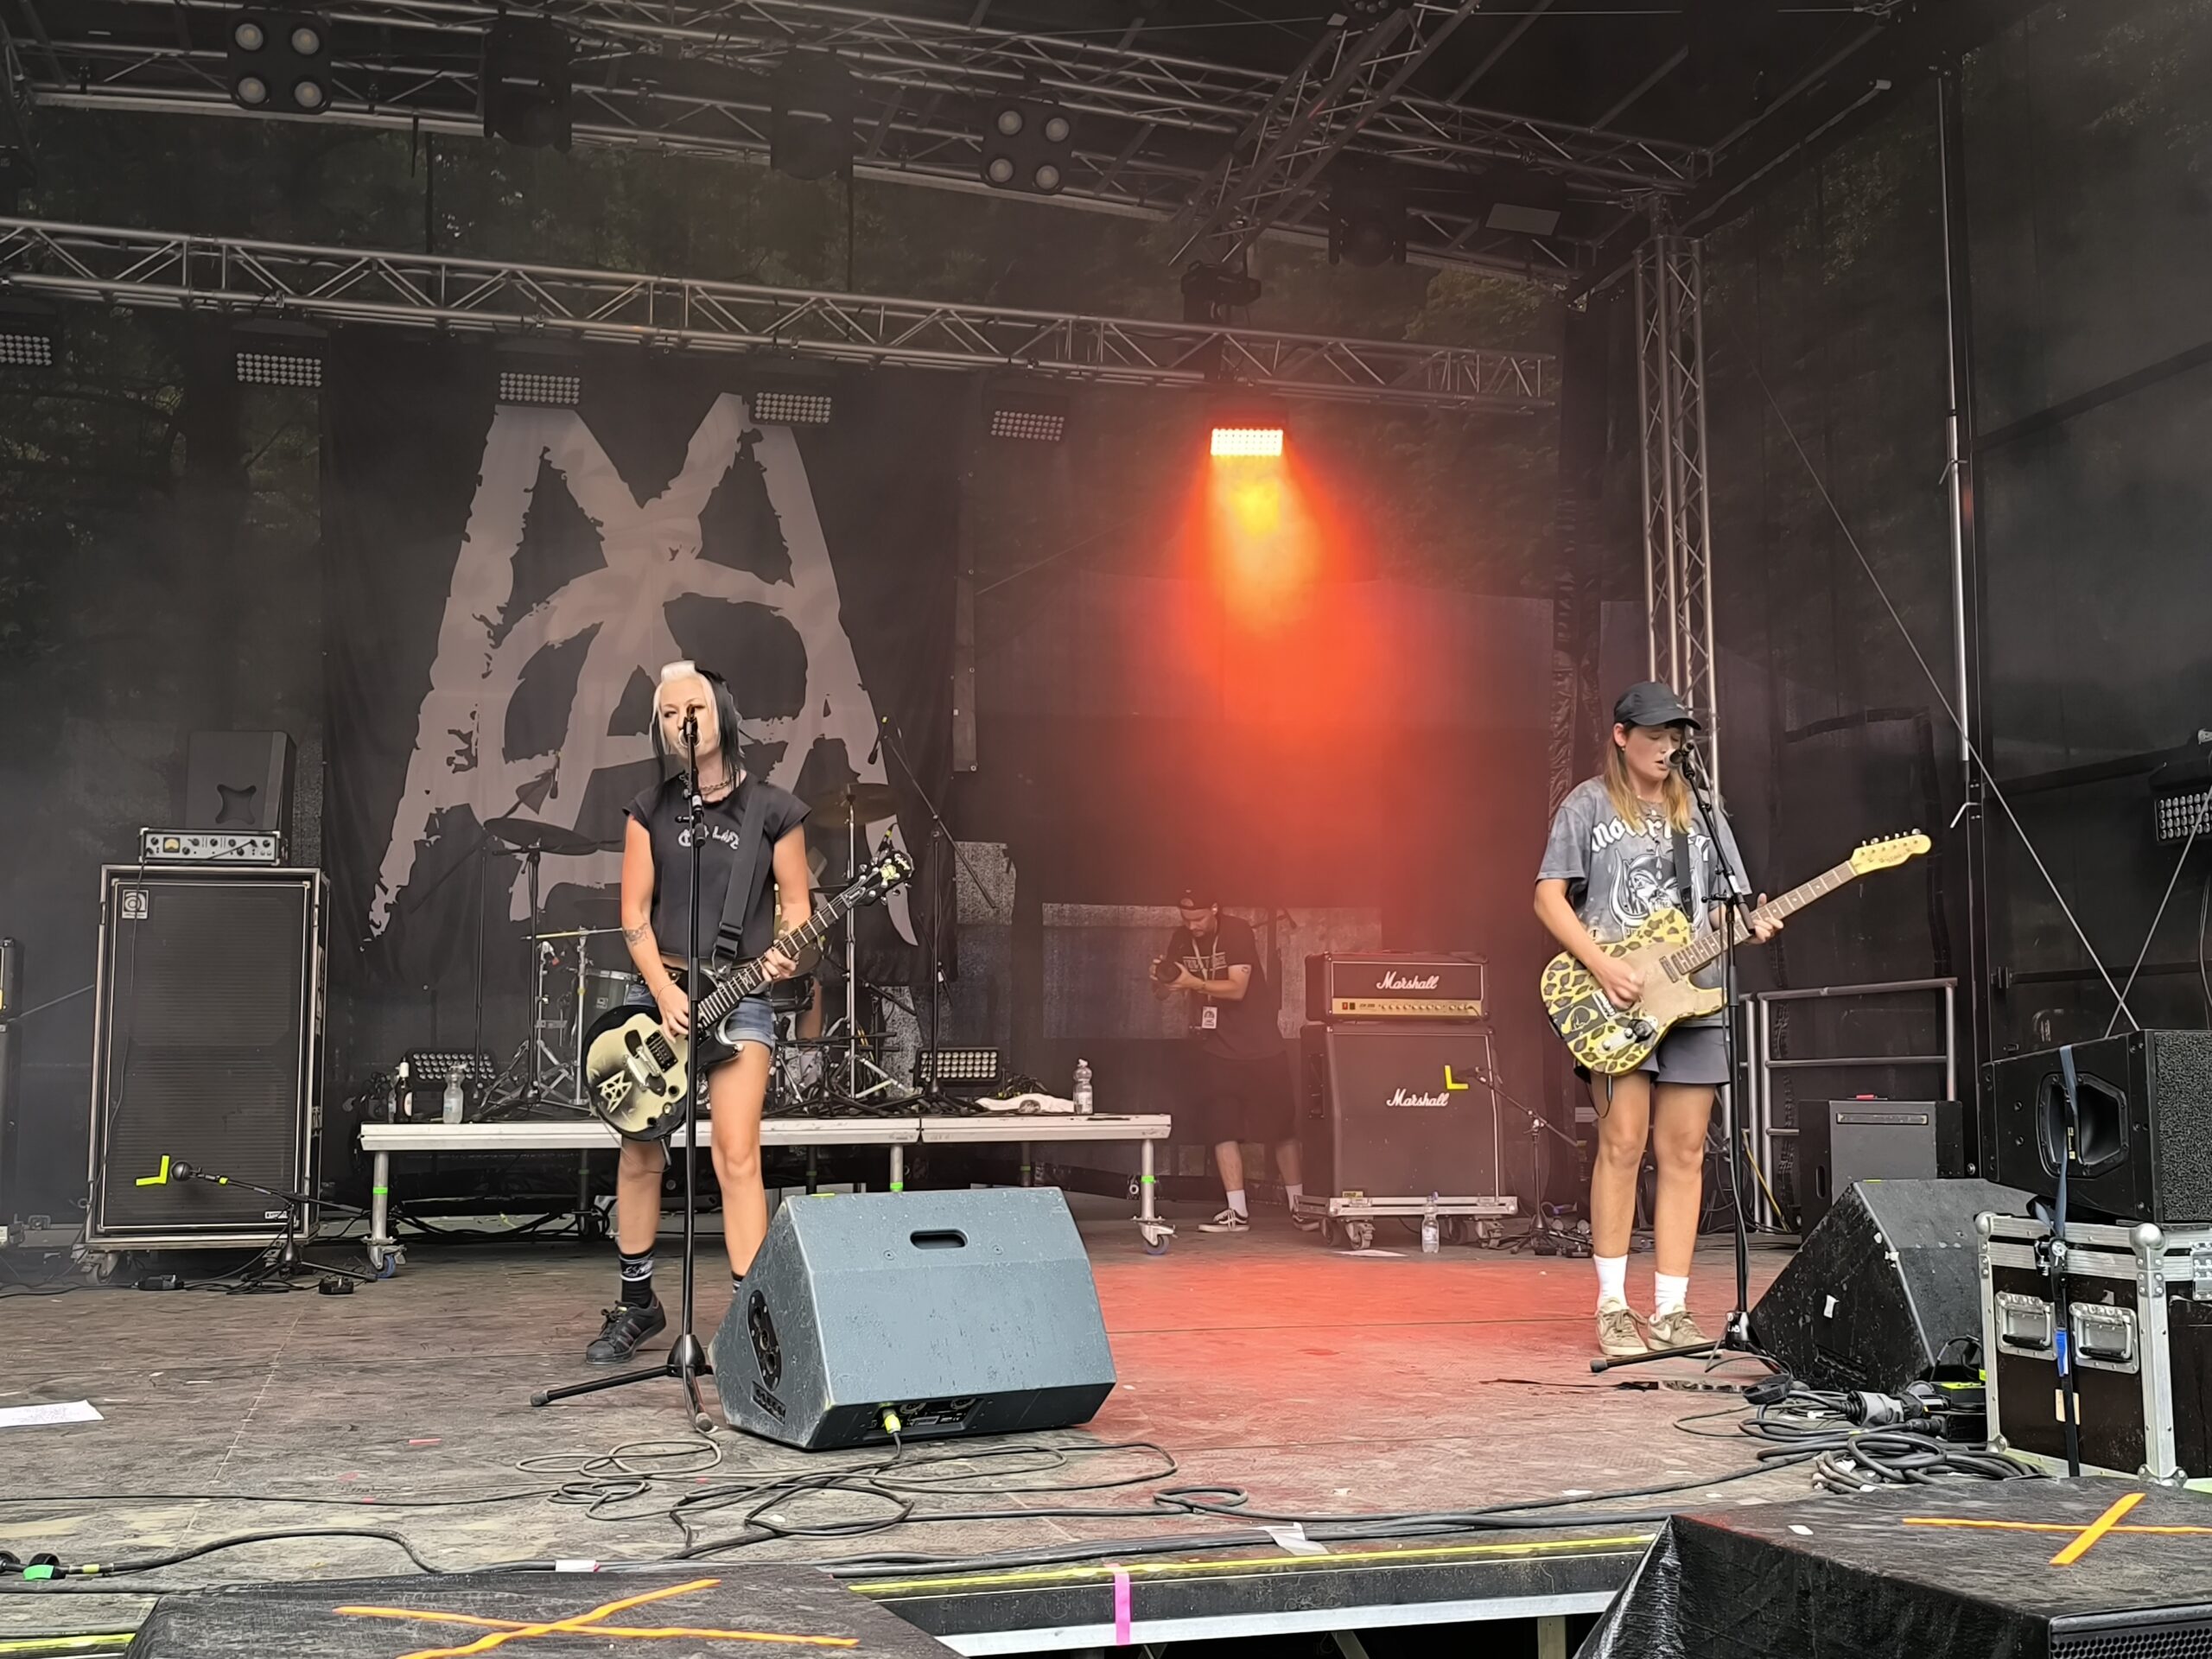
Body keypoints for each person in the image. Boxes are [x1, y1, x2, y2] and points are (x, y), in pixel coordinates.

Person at [1534, 682, 1779, 1358]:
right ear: (1622, 737)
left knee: (1686, 1151)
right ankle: (1613, 1306)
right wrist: (1601, 965)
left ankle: (1671, 1309)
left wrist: (1750, 924)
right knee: (1621, 1144)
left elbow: (1725, 908)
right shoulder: (1587, 805)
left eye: (1676, 737)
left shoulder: (1703, 811)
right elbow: (1549, 897)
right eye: (1655, 736)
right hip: (1616, 999)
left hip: (1695, 998)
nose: (1668, 748)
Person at [589, 662, 812, 1364]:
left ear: (722, 714)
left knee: (736, 1153)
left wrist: (787, 951)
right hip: (659, 996)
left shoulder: (774, 810)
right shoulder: (648, 810)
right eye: (667, 713)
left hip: (740, 995)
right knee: (639, 1148)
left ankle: (752, 1317)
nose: (680, 721)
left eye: (694, 708)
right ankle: (637, 1303)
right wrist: (662, 991)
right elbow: (633, 914)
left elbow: (798, 907)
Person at [1152, 889, 1309, 1235]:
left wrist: (1192, 982)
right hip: (1216, 1049)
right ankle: (1237, 1211)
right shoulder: (1181, 938)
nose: (1192, 926)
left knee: (1281, 1129)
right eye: (1185, 919)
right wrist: (1162, 981)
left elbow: (1237, 988)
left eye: (1198, 919)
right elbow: (1165, 991)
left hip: (1261, 1045)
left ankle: (1300, 1207)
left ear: (1215, 909)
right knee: (1221, 1128)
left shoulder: (1236, 931)